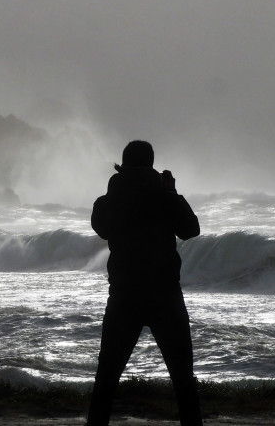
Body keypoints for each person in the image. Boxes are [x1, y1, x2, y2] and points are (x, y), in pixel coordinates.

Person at [87, 140, 202, 426]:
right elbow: (191, 229)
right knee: (182, 377)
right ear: (152, 165)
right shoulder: (164, 196)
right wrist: (171, 191)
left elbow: (100, 226)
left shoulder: (112, 199)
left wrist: (116, 189)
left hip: (124, 296)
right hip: (165, 295)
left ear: (123, 165)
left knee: (107, 377)